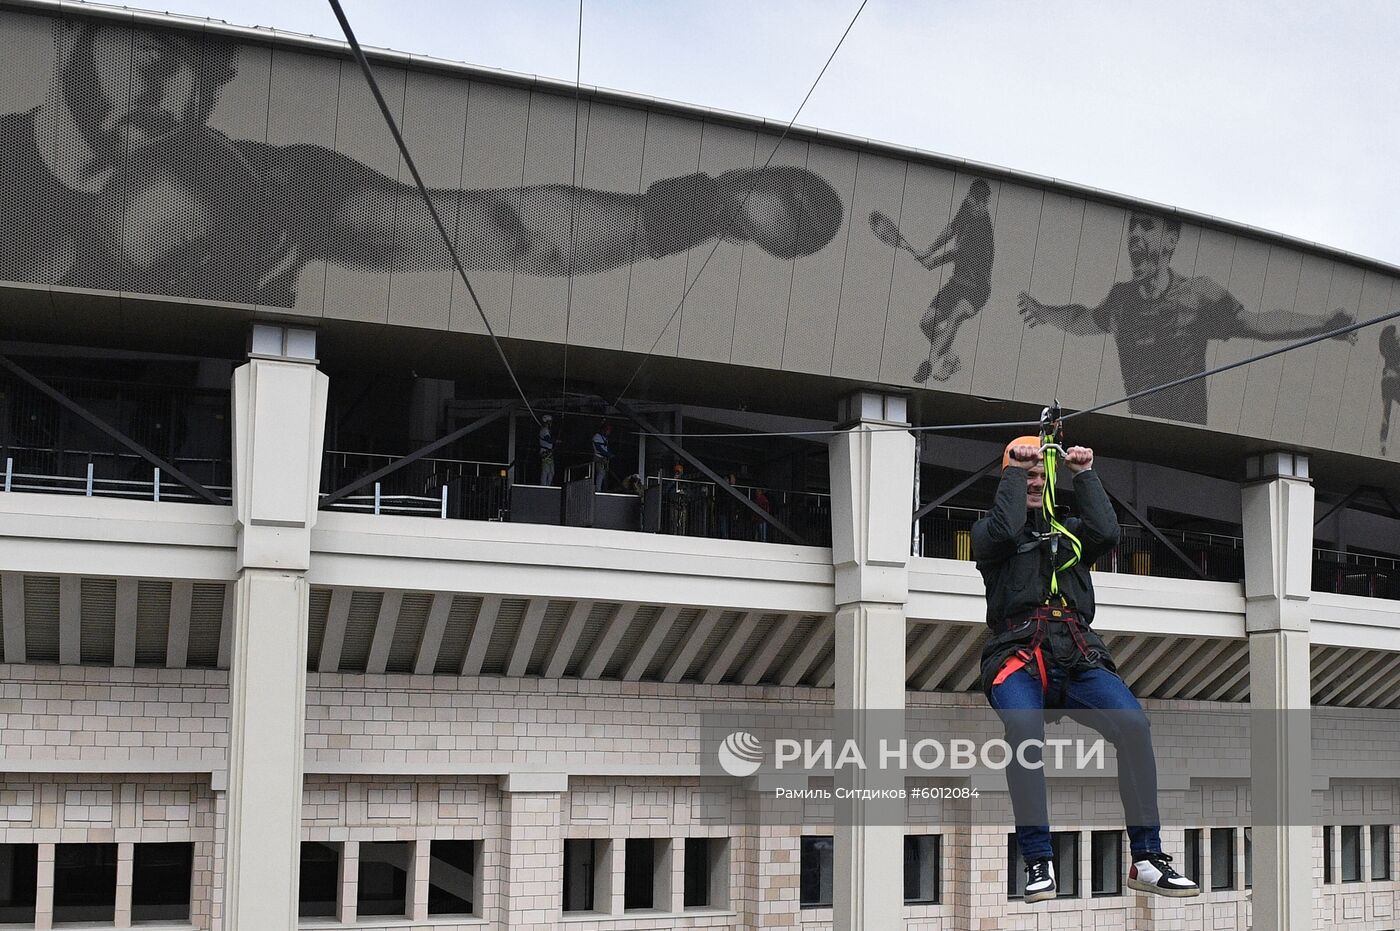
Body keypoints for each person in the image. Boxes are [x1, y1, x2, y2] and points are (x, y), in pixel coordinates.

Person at [0, 18, 844, 306]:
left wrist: (701, 209)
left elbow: (507, 233)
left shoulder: (263, 189)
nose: (174, 92)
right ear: (74, 28)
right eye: (155, 52)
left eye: (204, 76)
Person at [972, 437, 1200, 902]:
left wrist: (1084, 473)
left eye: (1041, 476)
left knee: (1134, 726)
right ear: (1010, 480)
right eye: (1027, 477)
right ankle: (1038, 859)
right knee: (1024, 733)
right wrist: (1017, 470)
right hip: (1019, 653)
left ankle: (1147, 857)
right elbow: (1009, 523)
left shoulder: (1071, 532)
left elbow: (1107, 532)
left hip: (1077, 653)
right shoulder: (990, 535)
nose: (1036, 483)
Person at [1017, 212, 1355, 424]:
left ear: (1170, 241)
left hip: (1188, 428)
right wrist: (1045, 312)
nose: (1135, 235)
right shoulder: (1121, 299)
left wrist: (1322, 324)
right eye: (1132, 228)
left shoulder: (1199, 293)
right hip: (1140, 430)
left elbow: (1259, 323)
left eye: (1146, 227)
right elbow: (1081, 320)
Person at [913, 178, 994, 383]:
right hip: (957, 283)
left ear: (985, 204)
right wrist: (928, 250)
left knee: (955, 317)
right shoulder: (967, 207)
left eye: (979, 205)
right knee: (926, 323)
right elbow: (951, 229)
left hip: (977, 289)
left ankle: (930, 363)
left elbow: (957, 252)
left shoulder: (983, 230)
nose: (974, 207)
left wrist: (933, 261)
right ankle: (951, 358)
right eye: (972, 202)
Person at [1381, 325, 1399, 455]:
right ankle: (1383, 441)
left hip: (1388, 379)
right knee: (1386, 412)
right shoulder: (1393, 350)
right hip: (1393, 380)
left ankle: (1383, 441)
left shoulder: (1388, 349)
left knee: (1386, 413)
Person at [591, 423, 613, 492]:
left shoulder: (605, 438)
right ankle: (598, 490)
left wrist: (609, 454)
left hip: (604, 458)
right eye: (608, 430)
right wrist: (608, 454)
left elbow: (606, 448)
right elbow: (599, 448)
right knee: (600, 473)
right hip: (598, 457)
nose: (609, 432)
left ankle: (603, 489)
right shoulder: (597, 436)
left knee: (604, 475)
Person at [538, 415, 555, 486]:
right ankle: (544, 486)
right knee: (546, 471)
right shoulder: (544, 430)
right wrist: (556, 441)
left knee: (551, 472)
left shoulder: (546, 430)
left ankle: (548, 485)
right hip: (545, 452)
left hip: (549, 453)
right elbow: (548, 440)